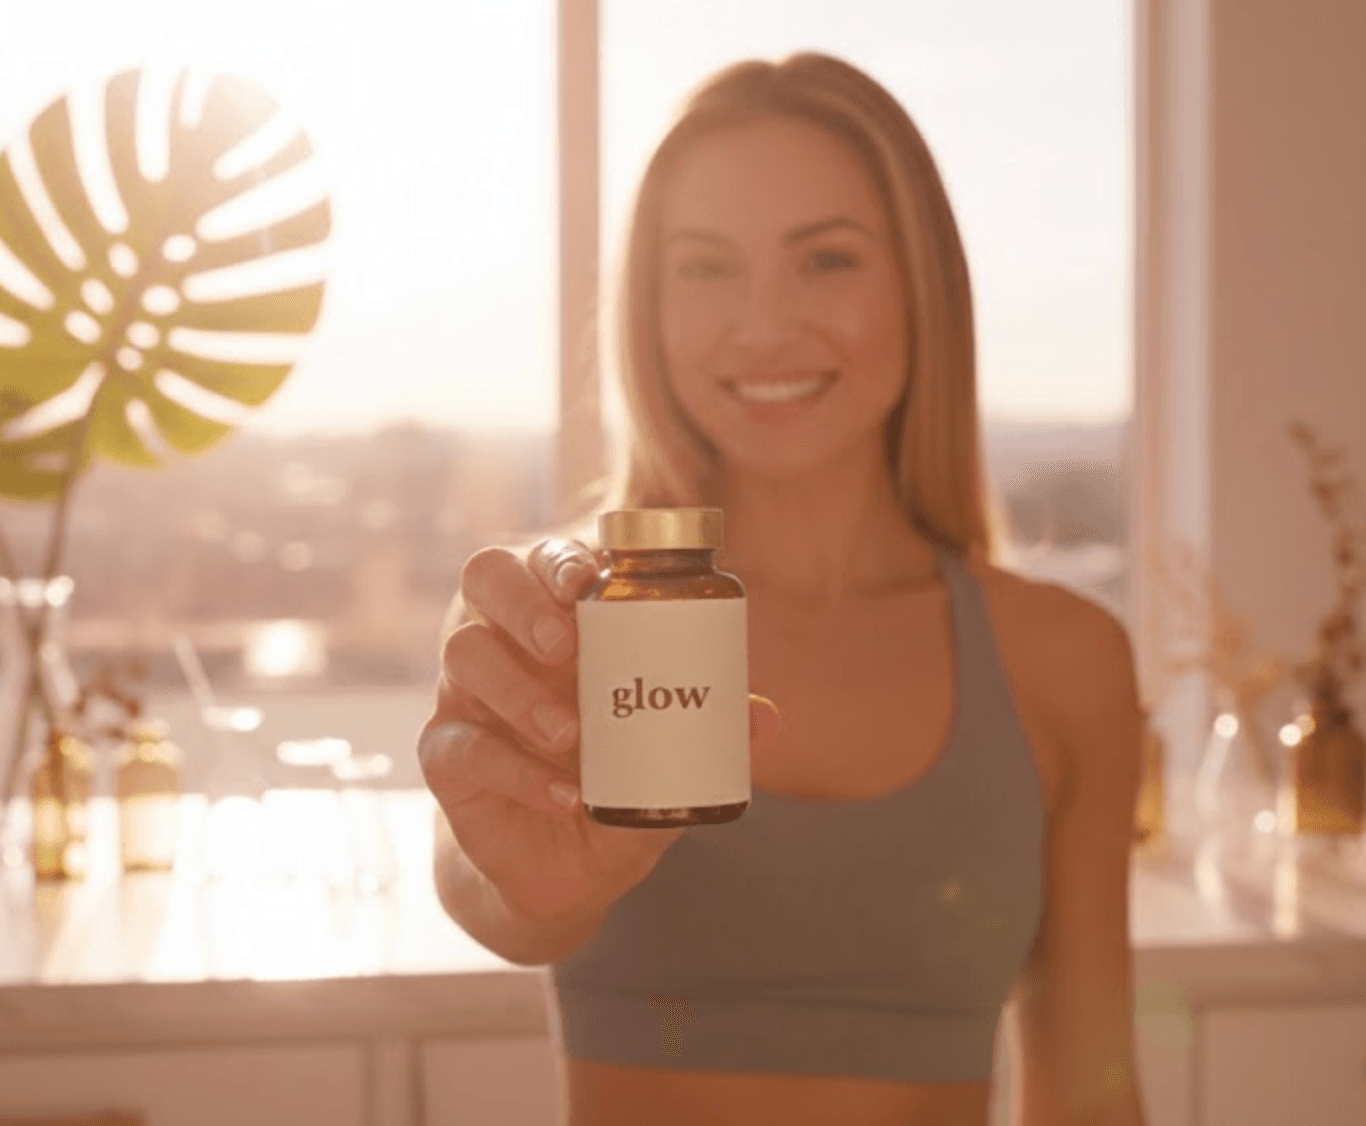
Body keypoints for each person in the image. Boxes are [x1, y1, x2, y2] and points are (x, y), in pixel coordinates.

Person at [419, 52, 1147, 1126]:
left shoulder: (1066, 659)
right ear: (647, 309)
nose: (762, 328)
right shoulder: (563, 621)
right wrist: (537, 885)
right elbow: (496, 894)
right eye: (706, 268)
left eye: (826, 261)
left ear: (922, 285)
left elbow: (1090, 1094)